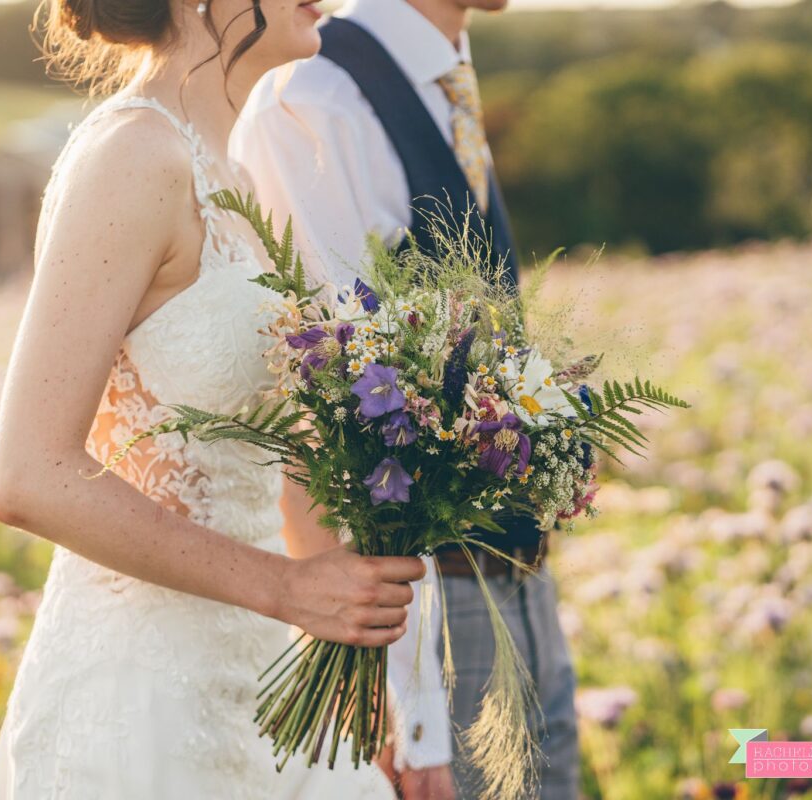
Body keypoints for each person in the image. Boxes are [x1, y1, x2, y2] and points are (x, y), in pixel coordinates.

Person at [0, 0, 426, 793]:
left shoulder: (239, 173)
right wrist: (284, 589)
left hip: (268, 682)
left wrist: (356, 673)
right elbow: (28, 475)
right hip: (144, 693)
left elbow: (276, 457)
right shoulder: (132, 154)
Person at [231, 0, 582, 796]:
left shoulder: (446, 69)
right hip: (419, 615)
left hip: (521, 583)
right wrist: (400, 702)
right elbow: (326, 412)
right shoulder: (316, 98)